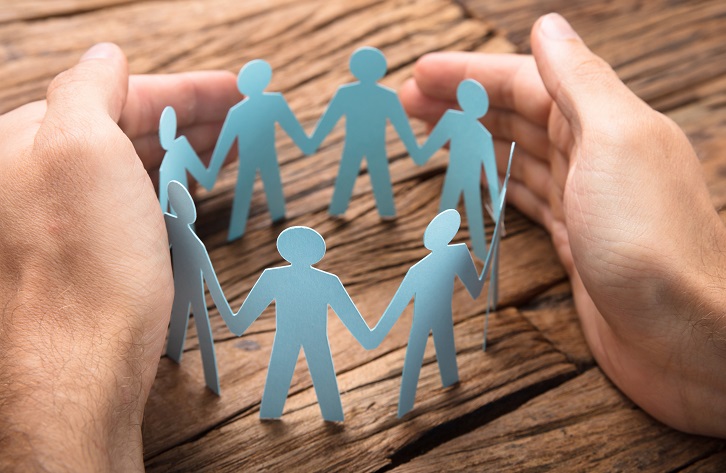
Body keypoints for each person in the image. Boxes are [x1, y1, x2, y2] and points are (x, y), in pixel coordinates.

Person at [0, 12, 723, 470]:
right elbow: (381, 263)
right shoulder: (439, 249)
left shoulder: (321, 257)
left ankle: (318, 359)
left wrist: (241, 319)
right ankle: (329, 354)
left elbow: (318, 269)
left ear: (291, 253)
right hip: (361, 247)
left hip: (336, 260)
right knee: (362, 239)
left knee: (356, 268)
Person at [223, 226, 375, 422]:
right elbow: (351, 317)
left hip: (290, 336)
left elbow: (243, 319)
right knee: (321, 375)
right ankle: (329, 415)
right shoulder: (327, 280)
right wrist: (368, 337)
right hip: (311, 336)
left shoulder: (274, 277)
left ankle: (277, 412)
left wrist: (231, 319)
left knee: (287, 374)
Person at [208, 60, 314, 242]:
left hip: (258, 155)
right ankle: (243, 228)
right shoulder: (264, 104)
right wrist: (306, 144)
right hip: (257, 155)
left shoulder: (244, 110)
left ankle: (253, 224)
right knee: (252, 189)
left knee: (252, 189)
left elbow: (224, 143)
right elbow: (225, 141)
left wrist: (211, 170)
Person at [309, 47, 420, 218]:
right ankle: (380, 210)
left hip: (361, 143)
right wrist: (415, 150)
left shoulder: (349, 93)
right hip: (367, 144)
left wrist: (313, 142)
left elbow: (328, 120)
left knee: (359, 174)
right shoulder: (385, 95)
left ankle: (350, 209)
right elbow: (402, 126)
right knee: (370, 174)